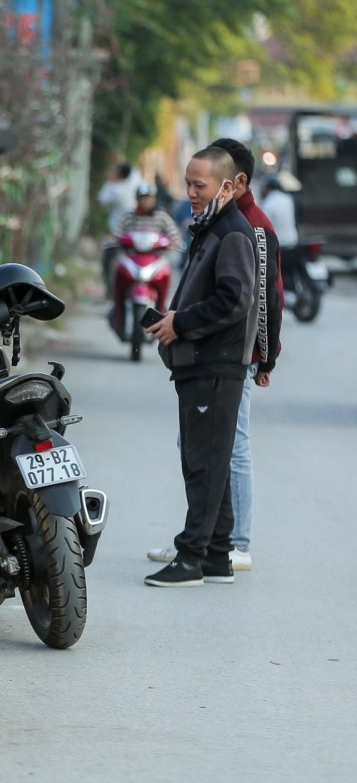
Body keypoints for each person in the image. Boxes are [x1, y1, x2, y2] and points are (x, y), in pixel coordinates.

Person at [148, 139, 283, 572]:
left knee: (217, 454)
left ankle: (210, 550)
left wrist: (265, 358)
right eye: (187, 184)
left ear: (231, 184)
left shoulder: (245, 229)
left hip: (223, 360)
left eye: (198, 185)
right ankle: (218, 550)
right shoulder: (214, 225)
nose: (190, 193)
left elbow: (254, 300)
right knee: (209, 452)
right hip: (206, 360)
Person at [111, 182, 183, 336]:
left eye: (149, 198)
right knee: (117, 272)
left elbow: (174, 235)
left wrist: (174, 242)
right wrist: (113, 239)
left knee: (166, 275)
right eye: (143, 198)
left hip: (155, 259)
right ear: (137, 199)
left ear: (155, 199)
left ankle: (163, 308)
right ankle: (117, 312)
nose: (146, 201)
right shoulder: (129, 217)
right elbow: (117, 234)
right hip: (132, 258)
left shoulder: (161, 217)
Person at [98, 162, 142, 291]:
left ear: (119, 175)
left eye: (114, 171)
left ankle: (112, 291)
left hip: (117, 234)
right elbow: (133, 171)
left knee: (108, 262)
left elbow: (102, 202)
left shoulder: (115, 190)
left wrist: (109, 181)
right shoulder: (135, 182)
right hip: (135, 233)